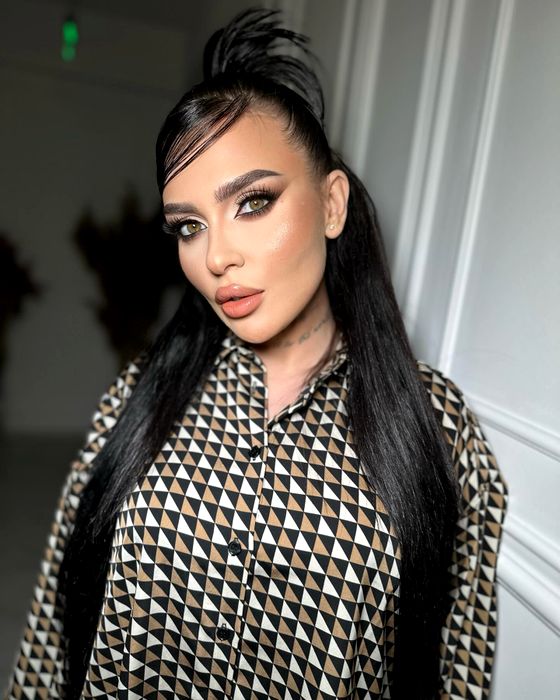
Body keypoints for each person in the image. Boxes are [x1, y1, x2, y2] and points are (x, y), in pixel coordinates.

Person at [5, 9, 507, 700]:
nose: (216, 257)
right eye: (188, 226)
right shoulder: (140, 397)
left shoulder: (437, 424)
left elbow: (456, 664)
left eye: (252, 202)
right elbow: (54, 630)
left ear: (332, 204)